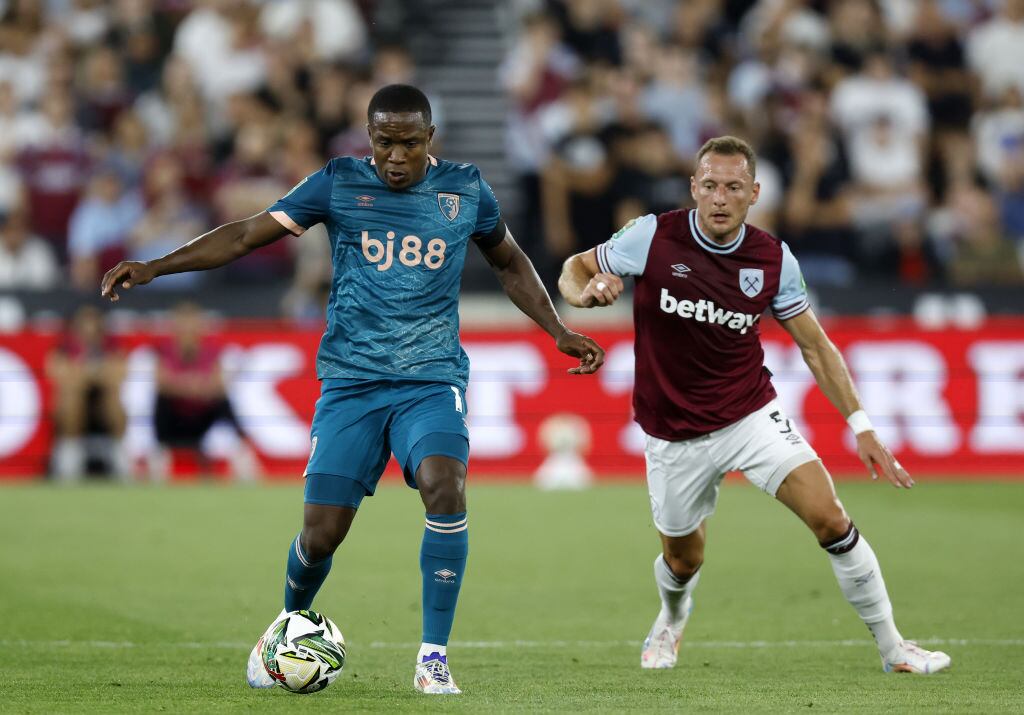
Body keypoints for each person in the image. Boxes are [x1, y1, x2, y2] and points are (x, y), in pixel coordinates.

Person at [101, 84, 605, 694]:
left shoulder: (465, 189)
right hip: (351, 383)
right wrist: (156, 266)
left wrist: (556, 329)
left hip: (430, 378)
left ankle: (432, 658)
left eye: (409, 144)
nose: (396, 156)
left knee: (445, 487)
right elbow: (243, 236)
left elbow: (508, 261)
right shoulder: (338, 182)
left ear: (429, 140)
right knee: (321, 533)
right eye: (385, 142)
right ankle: (287, 622)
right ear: (369, 139)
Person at [557, 135, 951, 675]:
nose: (720, 197)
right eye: (711, 186)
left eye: (734, 187)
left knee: (831, 518)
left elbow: (815, 345)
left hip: (749, 414)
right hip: (673, 432)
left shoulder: (771, 258)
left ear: (754, 193)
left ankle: (894, 649)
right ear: (694, 187)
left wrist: (862, 426)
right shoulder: (653, 235)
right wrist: (585, 294)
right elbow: (575, 268)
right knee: (683, 559)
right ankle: (671, 620)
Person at [149, 301, 261, 481]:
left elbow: (219, 384)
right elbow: (161, 383)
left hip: (200, 417)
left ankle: (243, 454)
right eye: (183, 325)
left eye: (192, 325)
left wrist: (194, 386)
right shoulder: (164, 350)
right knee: (161, 400)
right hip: (174, 418)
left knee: (223, 401)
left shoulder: (211, 351)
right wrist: (191, 385)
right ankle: (158, 456)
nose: (188, 331)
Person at [46, 305, 127, 480]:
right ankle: (70, 451)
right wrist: (92, 373)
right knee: (71, 393)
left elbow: (119, 375)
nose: (89, 330)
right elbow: (60, 376)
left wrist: (85, 374)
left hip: (103, 409)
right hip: (74, 410)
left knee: (114, 393)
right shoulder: (63, 349)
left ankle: (119, 451)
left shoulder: (112, 348)